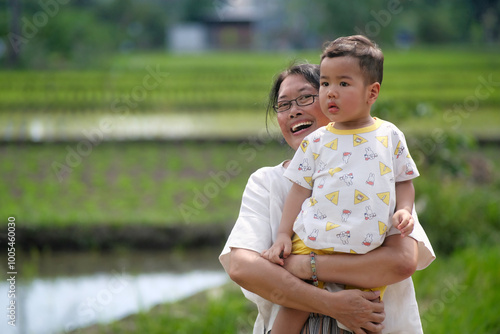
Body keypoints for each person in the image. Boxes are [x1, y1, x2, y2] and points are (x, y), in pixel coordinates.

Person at [219, 61, 435, 333]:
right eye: (283, 105)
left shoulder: (376, 167)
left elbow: (400, 261)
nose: (294, 110)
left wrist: (301, 266)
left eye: (305, 97)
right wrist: (331, 304)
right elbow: (242, 266)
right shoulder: (267, 183)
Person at [261, 35, 418, 334]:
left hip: (367, 243)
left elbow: (403, 180)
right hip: (315, 236)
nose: (331, 93)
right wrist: (283, 235)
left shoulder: (390, 135)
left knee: (367, 307)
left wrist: (406, 210)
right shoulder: (317, 141)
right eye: (325, 84)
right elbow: (299, 190)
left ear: (372, 92)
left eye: (343, 84)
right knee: (295, 303)